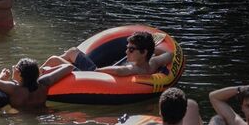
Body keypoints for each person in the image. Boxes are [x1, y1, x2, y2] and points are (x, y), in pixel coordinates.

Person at [42, 30, 172, 76]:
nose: (127, 51)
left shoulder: (131, 68)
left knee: (68, 53)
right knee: (72, 53)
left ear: (143, 52)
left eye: (131, 49)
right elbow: (170, 55)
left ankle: (33, 74)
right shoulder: (153, 64)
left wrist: (94, 72)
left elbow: (116, 71)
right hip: (98, 75)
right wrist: (152, 51)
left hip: (91, 77)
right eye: (128, 48)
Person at [0, 58, 72, 111]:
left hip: (20, 120)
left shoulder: (13, 88)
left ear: (19, 73)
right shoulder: (44, 83)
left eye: (15, 67)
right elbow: (69, 67)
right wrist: (45, 70)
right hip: (44, 114)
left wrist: (1, 77)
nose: (13, 68)